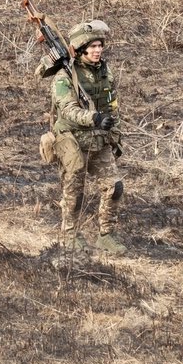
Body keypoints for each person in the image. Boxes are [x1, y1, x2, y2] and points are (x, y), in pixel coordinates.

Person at [49, 19, 125, 254]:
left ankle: (107, 235)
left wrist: (114, 133)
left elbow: (112, 104)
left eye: (100, 46)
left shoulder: (105, 72)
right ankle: (70, 233)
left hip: (98, 136)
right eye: (92, 47)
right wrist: (94, 118)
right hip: (71, 137)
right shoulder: (64, 77)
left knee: (114, 187)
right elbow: (69, 110)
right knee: (75, 188)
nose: (97, 51)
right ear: (81, 50)